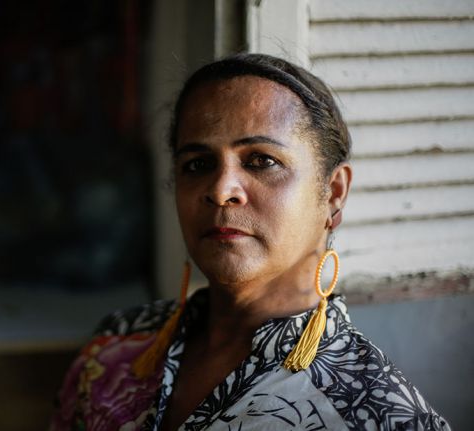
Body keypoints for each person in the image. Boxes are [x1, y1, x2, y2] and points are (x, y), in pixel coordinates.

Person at [49, 53, 451, 430]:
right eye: (198, 164)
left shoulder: (373, 412)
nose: (221, 190)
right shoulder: (119, 342)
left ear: (333, 192)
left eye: (262, 160)